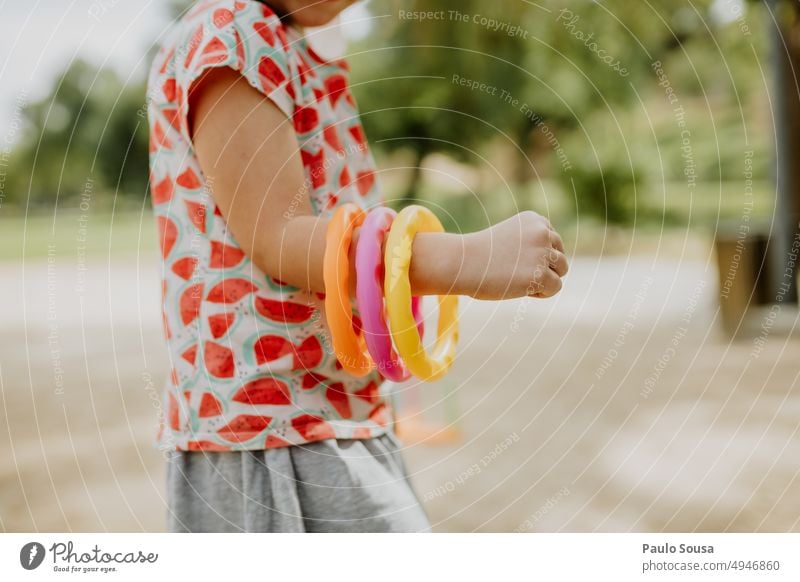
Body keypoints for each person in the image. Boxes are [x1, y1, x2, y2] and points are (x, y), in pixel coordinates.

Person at [146, 0, 568, 532]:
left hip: (335, 406)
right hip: (270, 427)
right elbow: (280, 233)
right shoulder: (231, 33)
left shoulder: (297, 42)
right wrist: (465, 259)